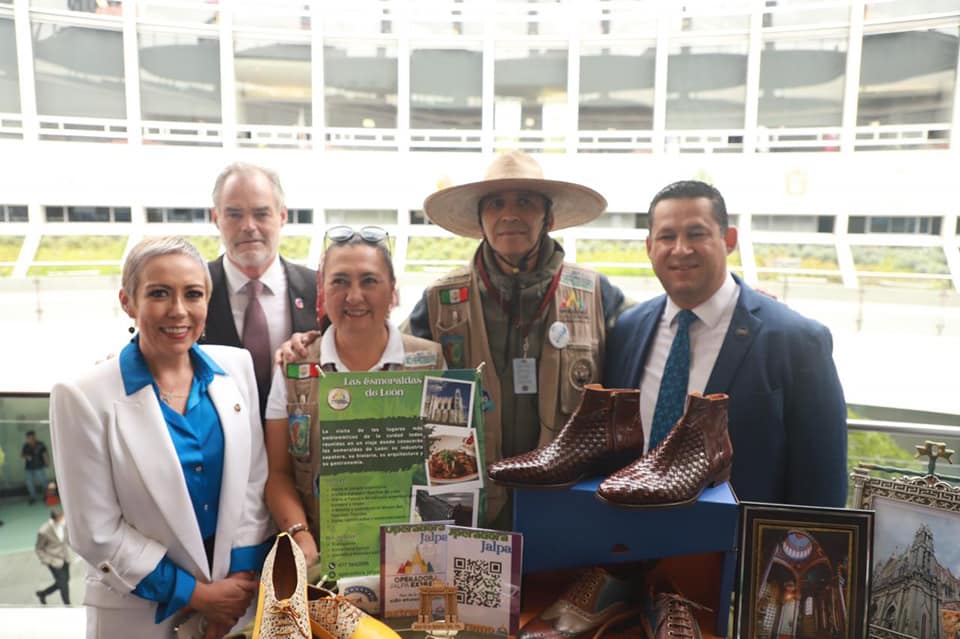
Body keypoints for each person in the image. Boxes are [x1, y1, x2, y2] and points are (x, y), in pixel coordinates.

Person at [49, 236, 274, 639]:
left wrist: (235, 589)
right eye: (159, 293)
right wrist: (197, 595)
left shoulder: (236, 368)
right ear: (127, 301)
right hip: (138, 613)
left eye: (193, 294)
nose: (179, 310)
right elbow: (95, 533)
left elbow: (254, 486)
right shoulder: (82, 396)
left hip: (235, 608)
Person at [403, 150, 631, 526]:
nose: (509, 215)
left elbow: (653, 345)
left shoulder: (596, 294)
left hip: (565, 506)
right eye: (495, 204)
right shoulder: (439, 302)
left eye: (525, 202)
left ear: (549, 218)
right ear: (481, 220)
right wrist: (312, 345)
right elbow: (385, 364)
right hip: (468, 509)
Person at [604, 180, 847, 507]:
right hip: (629, 542)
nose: (680, 249)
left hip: (739, 549)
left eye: (696, 234)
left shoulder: (796, 341)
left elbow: (822, 481)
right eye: (666, 236)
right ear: (649, 246)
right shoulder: (626, 331)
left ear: (728, 240)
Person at [266, 225, 443, 563]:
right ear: (322, 291)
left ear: (393, 291)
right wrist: (301, 538)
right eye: (340, 281)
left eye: (369, 281)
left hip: (411, 558)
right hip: (324, 553)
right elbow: (278, 474)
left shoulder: (430, 361)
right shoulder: (293, 368)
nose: (355, 296)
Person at [203, 162, 318, 418]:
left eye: (261, 213)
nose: (248, 226)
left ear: (283, 216)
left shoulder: (320, 290)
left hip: (301, 447)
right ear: (216, 218)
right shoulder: (193, 291)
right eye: (234, 214)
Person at [35, 505, 72, 605]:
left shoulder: (64, 525)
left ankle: (42, 593)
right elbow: (39, 549)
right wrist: (48, 561)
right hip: (54, 561)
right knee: (63, 584)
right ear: (56, 518)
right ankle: (68, 606)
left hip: (65, 558)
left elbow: (66, 540)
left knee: (64, 581)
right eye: (61, 517)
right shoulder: (44, 531)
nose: (63, 518)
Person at [21, 430, 49, 505]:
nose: (31, 439)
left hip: (39, 467)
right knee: (29, 483)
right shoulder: (26, 446)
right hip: (29, 468)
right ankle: (33, 497)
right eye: (29, 438)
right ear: (27, 438)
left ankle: (46, 496)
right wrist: (26, 456)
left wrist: (47, 463)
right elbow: (22, 455)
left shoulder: (40, 444)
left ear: (35, 436)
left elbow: (45, 453)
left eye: (32, 437)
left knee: (44, 482)